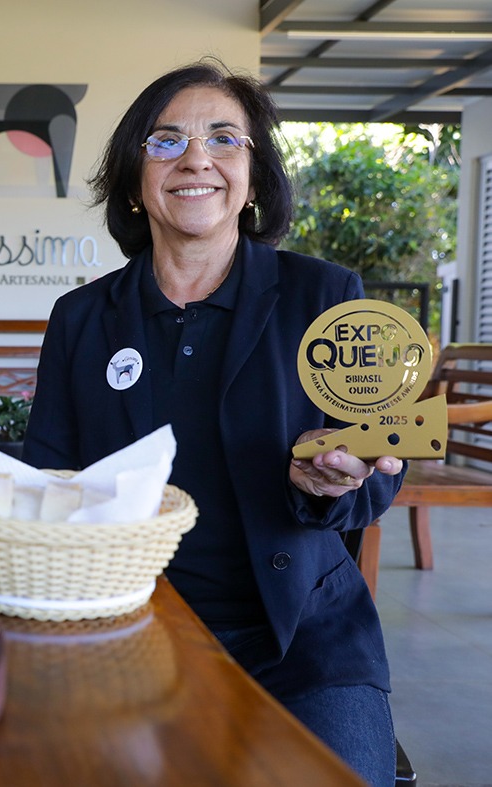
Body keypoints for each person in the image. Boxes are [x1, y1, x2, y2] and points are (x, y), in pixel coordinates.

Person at [22, 61, 404, 786]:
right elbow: (49, 481)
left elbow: (380, 466)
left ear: (253, 181)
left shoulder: (326, 296)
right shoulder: (80, 318)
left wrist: (336, 478)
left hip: (304, 643)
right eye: (165, 141)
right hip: (126, 635)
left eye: (224, 138)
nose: (196, 158)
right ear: (133, 182)